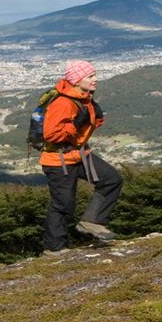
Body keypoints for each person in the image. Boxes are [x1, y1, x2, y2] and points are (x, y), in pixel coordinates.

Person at [40, 60, 122, 252]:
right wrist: (76, 124)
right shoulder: (63, 102)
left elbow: (90, 124)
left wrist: (94, 117)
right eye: (90, 76)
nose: (96, 79)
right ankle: (54, 249)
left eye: (94, 75)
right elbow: (51, 134)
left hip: (80, 155)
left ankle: (92, 221)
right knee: (63, 204)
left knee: (111, 180)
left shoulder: (83, 97)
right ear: (77, 80)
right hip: (58, 160)